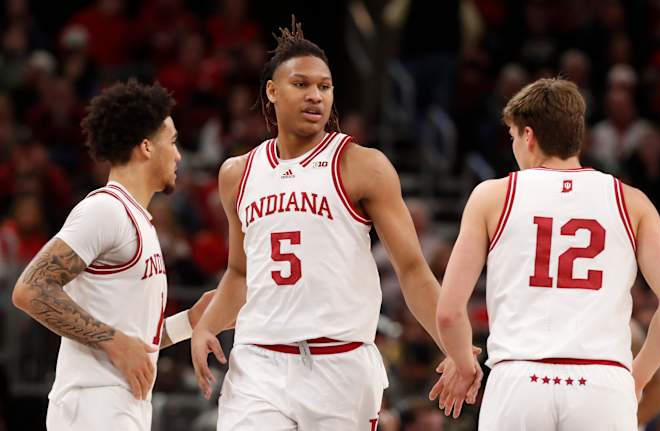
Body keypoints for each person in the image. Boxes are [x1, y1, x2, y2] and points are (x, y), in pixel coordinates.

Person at [190, 18, 480, 430]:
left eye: (324, 87)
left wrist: (456, 347)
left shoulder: (362, 165)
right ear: (272, 91)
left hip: (339, 365)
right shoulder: (237, 173)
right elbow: (239, 272)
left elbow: (414, 271)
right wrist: (208, 325)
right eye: (301, 85)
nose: (315, 96)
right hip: (259, 362)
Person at [434, 78, 660, 429]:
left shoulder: (492, 197)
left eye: (512, 137)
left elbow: (449, 313)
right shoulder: (632, 202)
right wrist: (639, 375)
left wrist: (464, 364)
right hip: (602, 382)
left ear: (528, 136)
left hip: (519, 379)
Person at [12, 80, 217, 431]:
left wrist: (190, 321)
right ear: (147, 147)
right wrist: (112, 341)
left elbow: (135, 341)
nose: (179, 154)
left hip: (122, 404)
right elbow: (30, 290)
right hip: (94, 404)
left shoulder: (138, 220)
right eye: (173, 141)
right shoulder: (106, 210)